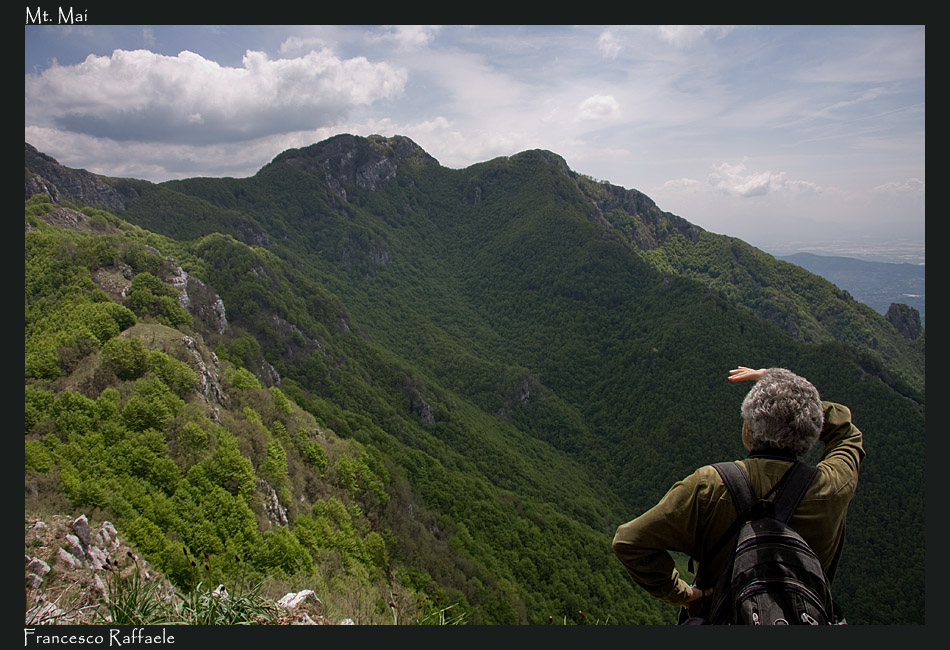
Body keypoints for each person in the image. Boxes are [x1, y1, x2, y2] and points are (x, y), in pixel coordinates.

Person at [611, 366, 865, 622]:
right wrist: (792, 394)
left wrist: (683, 593)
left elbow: (630, 542)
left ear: (748, 428)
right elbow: (845, 430)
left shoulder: (709, 485)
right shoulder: (833, 487)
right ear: (812, 429)